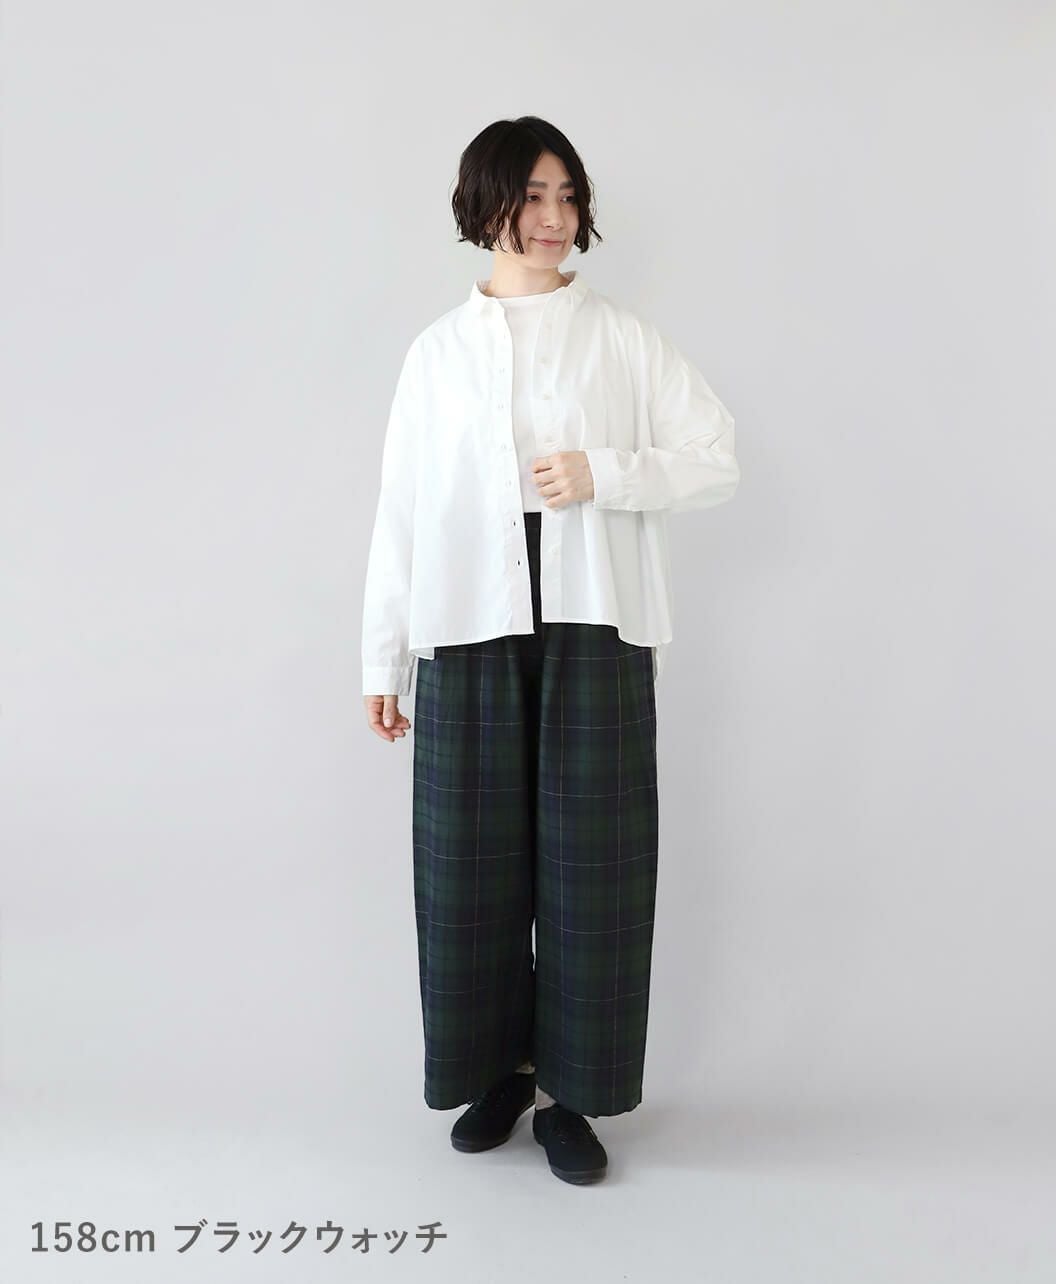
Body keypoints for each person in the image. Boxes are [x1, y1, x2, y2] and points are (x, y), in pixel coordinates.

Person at [361, 116, 740, 1185]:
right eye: (532, 195)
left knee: (592, 869)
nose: (553, 217)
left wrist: (604, 472)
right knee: (467, 865)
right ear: (484, 201)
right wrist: (382, 659)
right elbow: (402, 511)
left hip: (593, 617)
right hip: (463, 618)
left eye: (567, 195)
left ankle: (573, 1095)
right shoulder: (436, 353)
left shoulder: (620, 336)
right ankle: (499, 1073)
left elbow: (714, 456)